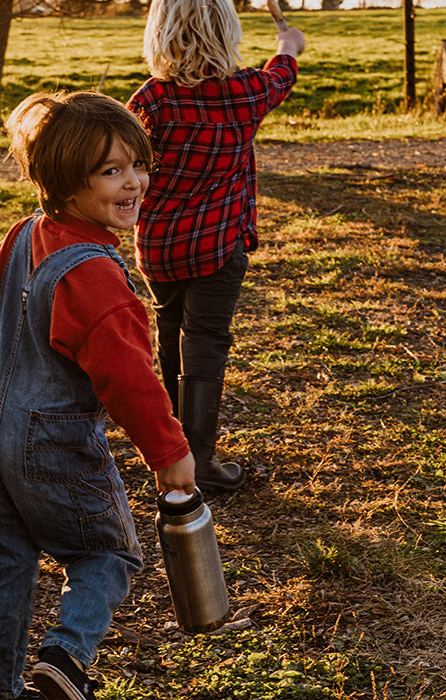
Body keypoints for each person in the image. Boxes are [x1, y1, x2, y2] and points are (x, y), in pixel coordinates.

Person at [0, 91, 196, 700]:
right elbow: (129, 378)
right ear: (64, 182)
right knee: (107, 554)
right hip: (52, 449)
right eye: (111, 171)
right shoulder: (97, 276)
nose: (134, 182)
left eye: (139, 164)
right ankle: (66, 659)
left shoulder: (19, 238)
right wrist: (169, 453)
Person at [126, 0, 305, 492]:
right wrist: (288, 47)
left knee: (170, 336)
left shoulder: (150, 100)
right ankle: (198, 463)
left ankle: (169, 455)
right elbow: (279, 79)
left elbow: (124, 160)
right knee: (205, 344)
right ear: (227, 32)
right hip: (218, 247)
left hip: (158, 246)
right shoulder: (245, 91)